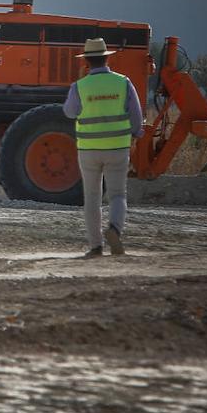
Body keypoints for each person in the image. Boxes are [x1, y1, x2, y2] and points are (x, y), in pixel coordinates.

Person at [62, 37, 144, 258]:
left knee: (92, 197)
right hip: (118, 148)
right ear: (107, 59)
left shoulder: (79, 86)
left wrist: (79, 85)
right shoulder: (123, 82)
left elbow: (69, 112)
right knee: (117, 194)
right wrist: (136, 135)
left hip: (88, 149)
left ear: (86, 62)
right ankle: (115, 229)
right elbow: (136, 117)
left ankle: (95, 246)